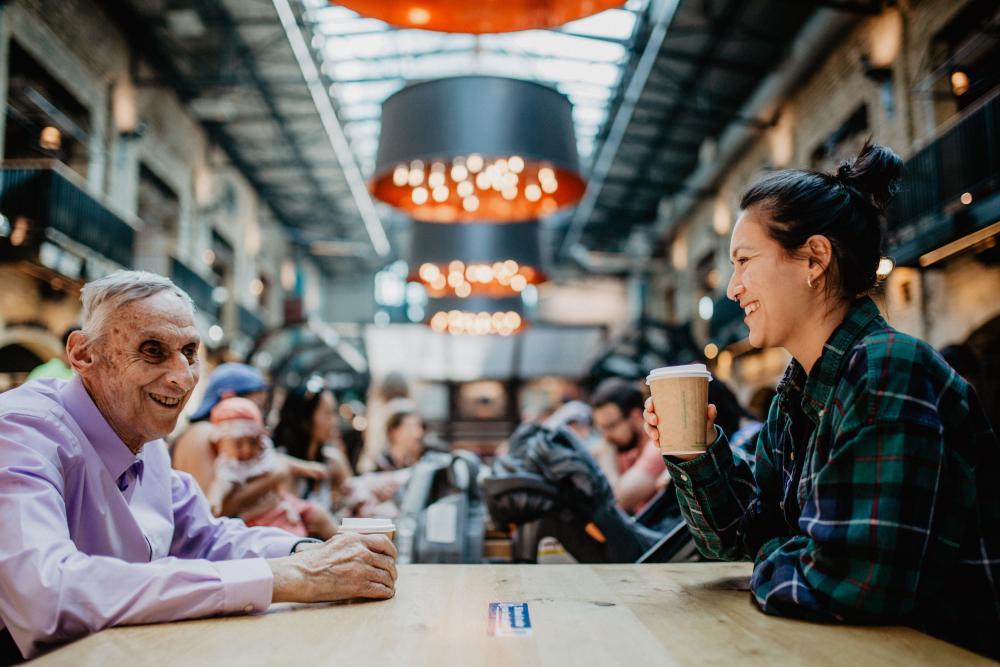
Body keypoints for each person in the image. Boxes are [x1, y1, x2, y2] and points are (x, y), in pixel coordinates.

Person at [642, 143, 999, 657]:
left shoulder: (886, 371)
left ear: (814, 257)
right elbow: (733, 540)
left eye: (744, 261)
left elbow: (853, 582)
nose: (734, 288)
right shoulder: (796, 393)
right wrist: (696, 452)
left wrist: (782, 553)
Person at [0, 271, 397, 662]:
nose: (181, 378)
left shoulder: (145, 438)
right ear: (84, 354)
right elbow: (48, 596)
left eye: (189, 353)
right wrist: (290, 576)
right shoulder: (20, 431)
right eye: (153, 350)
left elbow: (206, 538)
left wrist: (311, 552)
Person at [206, 397, 337, 539]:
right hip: (259, 516)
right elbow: (222, 483)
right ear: (220, 443)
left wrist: (306, 468)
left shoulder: (261, 454)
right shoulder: (230, 465)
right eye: (238, 444)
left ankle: (347, 542)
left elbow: (279, 460)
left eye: (253, 442)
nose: (247, 449)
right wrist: (215, 500)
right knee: (290, 537)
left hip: (282, 503)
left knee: (317, 514)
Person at [589, 377, 666, 515]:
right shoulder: (626, 448)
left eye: (611, 426)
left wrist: (606, 454)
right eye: (602, 429)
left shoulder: (657, 446)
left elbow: (617, 502)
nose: (606, 437)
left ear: (635, 416)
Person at [375, 407, 425, 472]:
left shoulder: (416, 460)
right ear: (394, 431)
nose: (418, 434)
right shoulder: (378, 464)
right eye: (409, 428)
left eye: (419, 427)